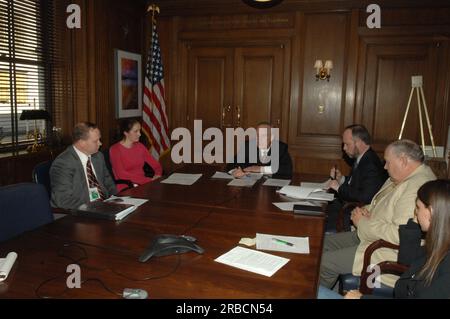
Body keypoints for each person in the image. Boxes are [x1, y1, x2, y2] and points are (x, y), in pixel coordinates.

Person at [319, 139, 436, 290]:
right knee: (321, 244)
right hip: (371, 235)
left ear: (403, 161)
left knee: (325, 262)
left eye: (387, 162)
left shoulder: (418, 186)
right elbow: (380, 204)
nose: (385, 167)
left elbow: (401, 235)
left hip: (386, 251)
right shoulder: (403, 176)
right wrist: (365, 211)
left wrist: (362, 222)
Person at [345, 179, 450, 299]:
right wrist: (415, 222)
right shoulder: (437, 245)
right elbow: (407, 261)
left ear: (431, 212)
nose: (415, 212)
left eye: (418, 207)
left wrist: (362, 298)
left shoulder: (446, 263)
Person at [325, 124, 388, 231]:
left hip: (355, 212)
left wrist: (338, 188)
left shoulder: (370, 163)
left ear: (358, 142)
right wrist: (342, 180)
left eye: (347, 144)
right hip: (348, 206)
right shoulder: (363, 157)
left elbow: (365, 197)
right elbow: (357, 183)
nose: (344, 148)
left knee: (319, 220)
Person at [50, 122, 117, 210]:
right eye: (95, 141)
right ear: (82, 143)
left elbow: (108, 182)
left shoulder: (98, 156)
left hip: (103, 205)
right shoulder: (63, 163)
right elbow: (63, 199)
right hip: (76, 211)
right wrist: (91, 208)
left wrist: (117, 199)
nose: (100, 143)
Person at [109, 119, 162, 192]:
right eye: (136, 131)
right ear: (126, 133)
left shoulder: (140, 146)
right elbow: (121, 174)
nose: (139, 134)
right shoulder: (115, 150)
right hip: (126, 187)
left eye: (139, 131)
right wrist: (148, 180)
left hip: (143, 185)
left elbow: (156, 165)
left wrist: (157, 175)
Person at [226, 122, 293, 179]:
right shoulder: (248, 146)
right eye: (257, 135)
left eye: (264, 136)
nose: (259, 139)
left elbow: (287, 170)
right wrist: (233, 171)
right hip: (250, 187)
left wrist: (261, 169)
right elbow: (230, 165)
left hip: (271, 188)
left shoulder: (280, 148)